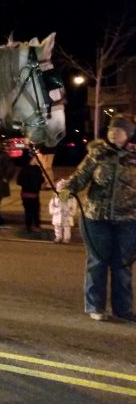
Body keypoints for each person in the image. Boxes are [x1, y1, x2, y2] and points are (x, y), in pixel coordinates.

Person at [58, 114, 136, 322]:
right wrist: (68, 189)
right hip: (96, 218)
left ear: (128, 134)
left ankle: (123, 310)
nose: (113, 132)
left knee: (123, 265)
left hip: (128, 220)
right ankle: (95, 306)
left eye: (119, 130)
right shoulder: (97, 154)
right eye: (111, 129)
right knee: (97, 262)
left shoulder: (133, 157)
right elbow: (81, 176)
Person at [16, 152, 45, 232]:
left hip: (31, 193)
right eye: (35, 158)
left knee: (32, 210)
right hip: (29, 193)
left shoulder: (35, 168)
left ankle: (32, 225)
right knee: (31, 210)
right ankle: (32, 225)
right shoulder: (29, 169)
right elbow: (19, 181)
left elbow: (41, 179)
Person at [49, 179, 77, 243]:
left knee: (67, 227)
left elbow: (74, 206)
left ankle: (66, 238)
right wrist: (53, 211)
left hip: (66, 215)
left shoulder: (71, 197)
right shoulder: (55, 197)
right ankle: (58, 237)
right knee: (57, 227)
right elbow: (51, 205)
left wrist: (71, 213)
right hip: (57, 214)